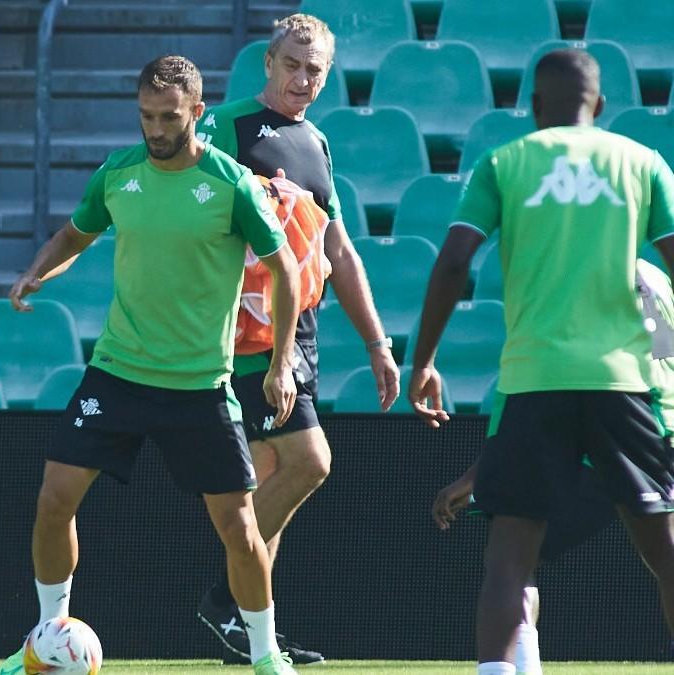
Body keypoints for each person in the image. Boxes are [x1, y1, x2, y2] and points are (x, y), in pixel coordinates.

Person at [0, 55, 302, 675]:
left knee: (241, 531)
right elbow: (75, 235)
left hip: (198, 384)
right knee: (54, 500)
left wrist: (280, 361)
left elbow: (286, 270)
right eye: (145, 116)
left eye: (168, 116)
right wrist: (36, 271)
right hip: (118, 371)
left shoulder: (231, 183)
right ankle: (43, 641)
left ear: (197, 112)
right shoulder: (118, 172)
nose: (155, 129)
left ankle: (266, 656)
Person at [409, 50, 674, 675]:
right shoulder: (641, 163)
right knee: (664, 550)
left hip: (535, 381)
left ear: (533, 107)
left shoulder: (504, 163)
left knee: (508, 559)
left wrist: (423, 360)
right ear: (600, 106)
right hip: (624, 382)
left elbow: (452, 263)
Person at [193, 13, 399, 664]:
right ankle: (226, 602)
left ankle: (251, 633)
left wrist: (376, 343)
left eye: (315, 70)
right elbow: (190, 217)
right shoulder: (227, 127)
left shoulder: (315, 144)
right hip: (245, 336)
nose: (302, 79)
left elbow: (337, 248)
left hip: (298, 332)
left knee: (274, 476)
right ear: (268, 64)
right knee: (310, 461)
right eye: (292, 64)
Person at [431, 259, 674, 675]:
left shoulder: (570, 278)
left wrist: (479, 472)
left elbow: (536, 382)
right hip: (654, 432)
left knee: (511, 556)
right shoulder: (655, 275)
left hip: (607, 439)